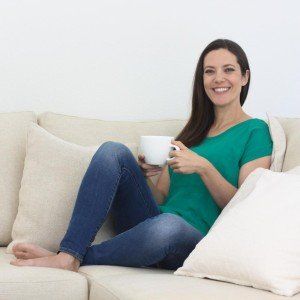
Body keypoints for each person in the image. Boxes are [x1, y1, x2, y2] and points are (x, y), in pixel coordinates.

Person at [10, 39, 273, 272]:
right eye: (209, 71)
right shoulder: (191, 134)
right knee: (112, 151)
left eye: (228, 70)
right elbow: (161, 200)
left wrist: (205, 168)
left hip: (194, 241)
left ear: (245, 77)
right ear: (201, 80)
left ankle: (71, 257)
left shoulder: (255, 131)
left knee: (170, 225)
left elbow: (246, 207)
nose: (218, 78)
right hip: (152, 228)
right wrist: (150, 176)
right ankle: (70, 252)